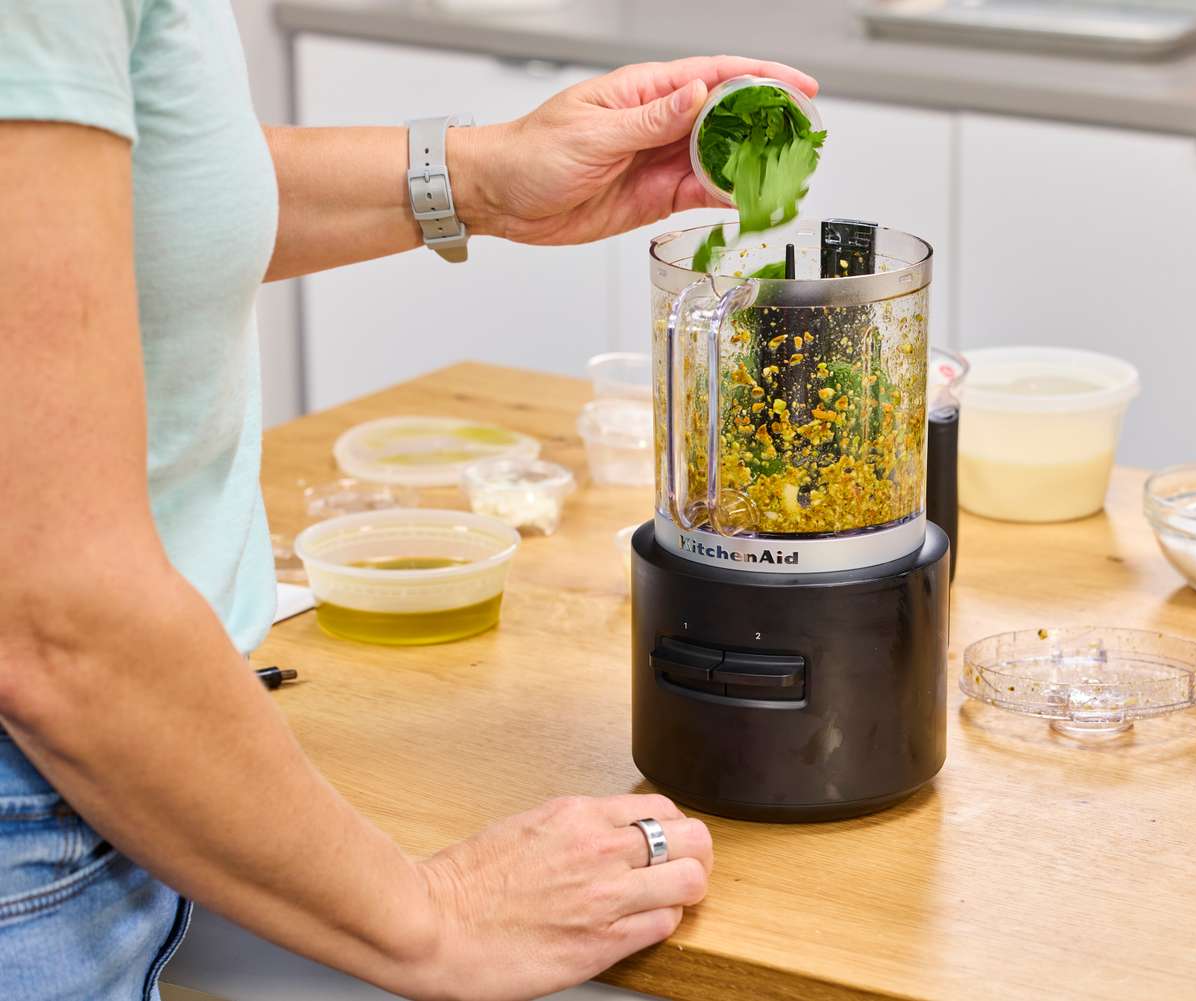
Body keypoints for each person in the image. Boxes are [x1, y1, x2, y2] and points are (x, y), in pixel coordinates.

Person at [0, 2, 818, 998]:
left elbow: (141, 189)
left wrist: (481, 178)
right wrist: (433, 913)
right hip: (44, 797)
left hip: (126, 758)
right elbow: (52, 616)